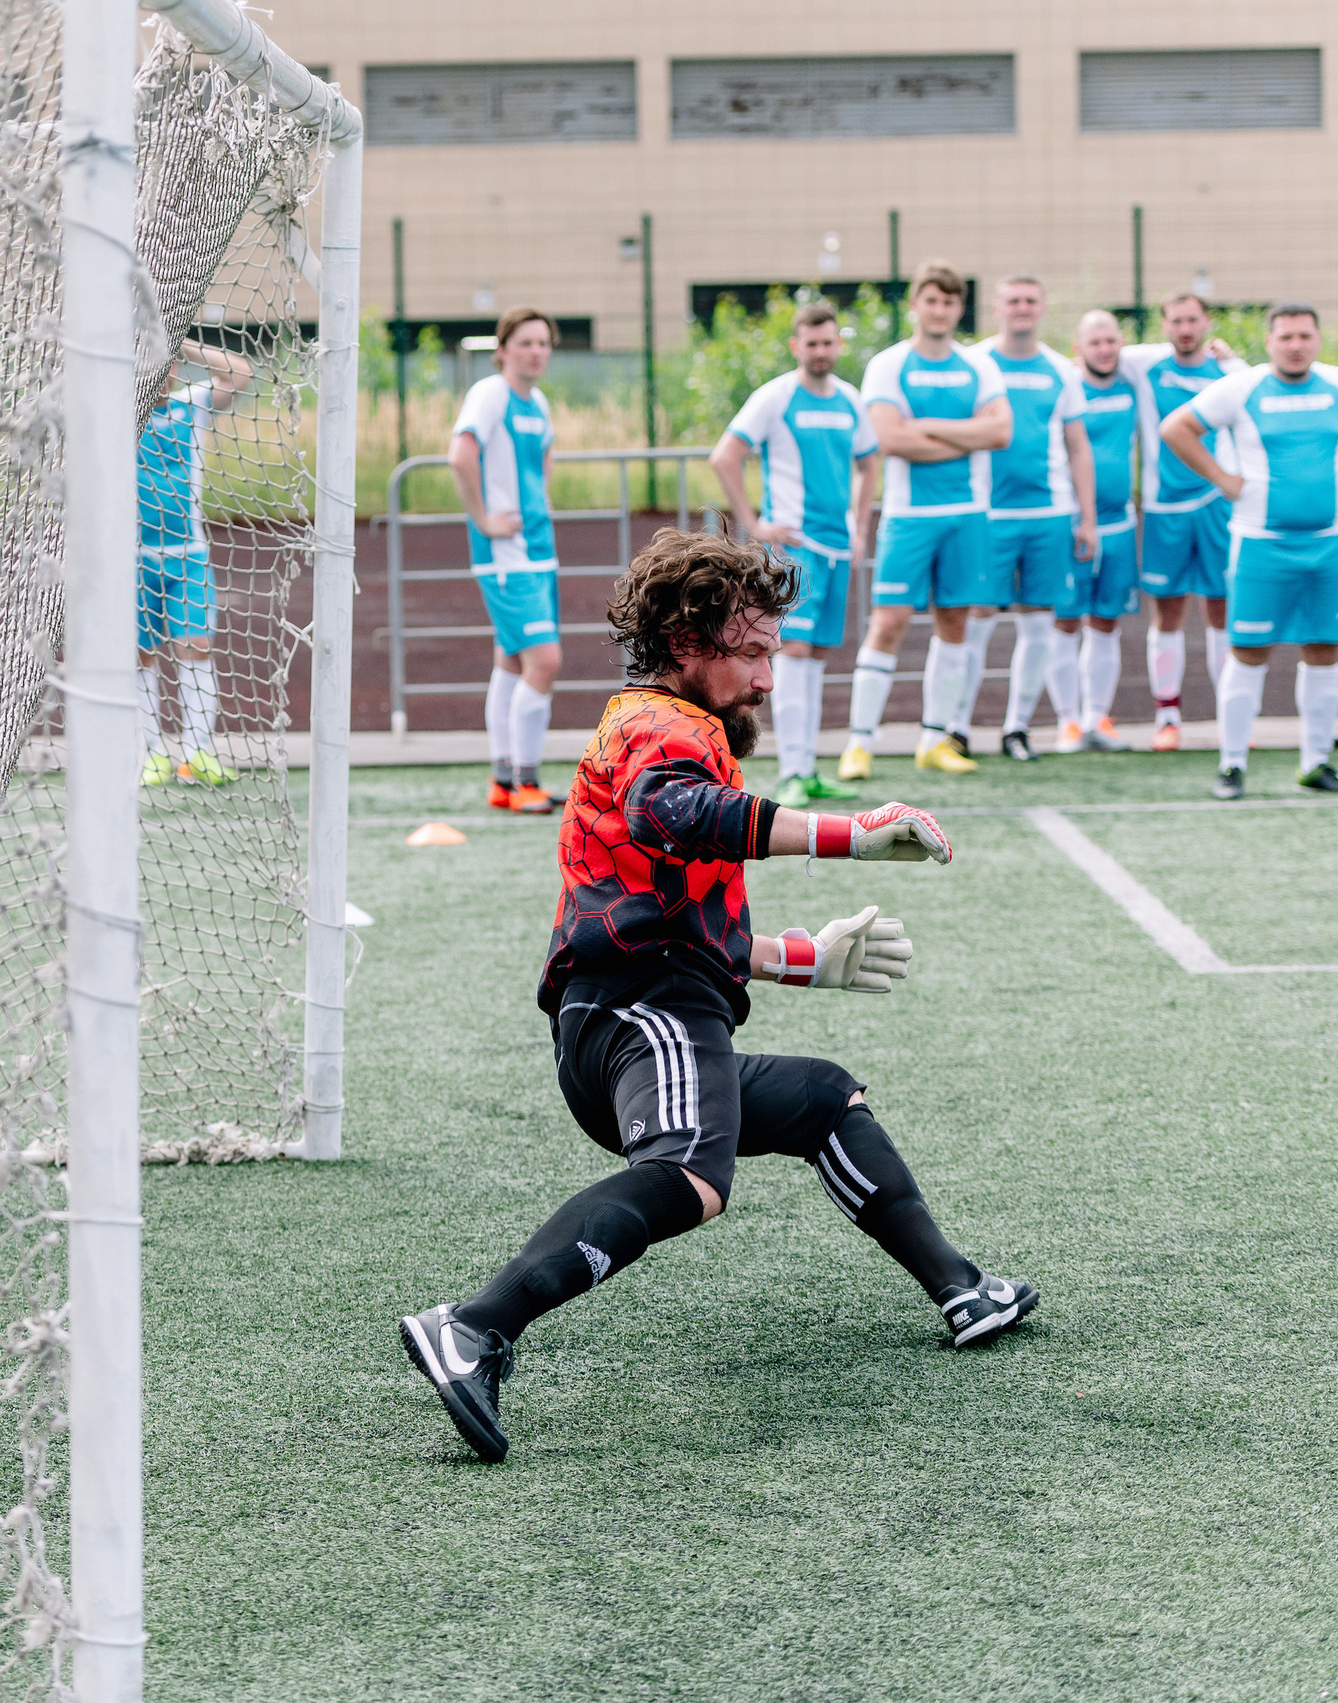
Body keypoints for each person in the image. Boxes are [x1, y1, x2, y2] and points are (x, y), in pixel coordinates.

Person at [397, 529, 1036, 1464]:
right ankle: (474, 1326)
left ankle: (961, 1289)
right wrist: (851, 834)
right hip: (645, 1010)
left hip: (631, 1009)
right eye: (753, 652)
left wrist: (799, 957)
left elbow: (673, 901)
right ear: (687, 642)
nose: (768, 678)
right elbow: (677, 817)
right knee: (693, 1176)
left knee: (823, 1097)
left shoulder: (659, 724)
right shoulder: (668, 727)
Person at [1159, 302, 1338, 799]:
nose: (1295, 345)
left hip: (1329, 543)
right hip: (1260, 544)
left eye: (1304, 336)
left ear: (1317, 340)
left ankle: (1315, 763)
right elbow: (1176, 429)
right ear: (1270, 341)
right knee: (1248, 652)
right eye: (1286, 337)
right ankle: (1232, 765)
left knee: (1323, 650)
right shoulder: (1243, 388)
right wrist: (1224, 480)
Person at [840, 262, 1011, 779]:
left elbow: (1001, 432)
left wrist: (929, 429)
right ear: (916, 304)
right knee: (887, 623)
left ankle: (935, 739)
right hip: (909, 518)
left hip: (968, 516)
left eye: (950, 302)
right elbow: (889, 438)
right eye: (931, 301)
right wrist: (965, 432)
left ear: (960, 309)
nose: (940, 311)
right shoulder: (889, 365)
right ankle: (859, 744)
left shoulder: (979, 365)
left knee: (955, 623)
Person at [709, 301, 880, 804]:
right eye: (811, 343)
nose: (821, 351)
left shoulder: (850, 399)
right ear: (795, 346)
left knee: (817, 656)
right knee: (794, 654)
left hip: (834, 547)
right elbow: (725, 456)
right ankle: (792, 771)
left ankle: (807, 768)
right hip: (793, 551)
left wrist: (860, 524)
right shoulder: (776, 396)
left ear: (838, 345)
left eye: (828, 342)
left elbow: (871, 462)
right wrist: (755, 522)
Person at [968, 274, 1097, 760]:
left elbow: (1078, 446)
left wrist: (1086, 518)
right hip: (989, 514)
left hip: (1049, 515)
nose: (1022, 308)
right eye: (1013, 300)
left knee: (1038, 624)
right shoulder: (976, 364)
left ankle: (1016, 727)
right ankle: (957, 728)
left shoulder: (1061, 370)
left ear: (1041, 308)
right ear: (997, 308)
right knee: (976, 618)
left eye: (1030, 300)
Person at [451, 307, 564, 814]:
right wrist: (483, 518)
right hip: (505, 555)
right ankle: (526, 781)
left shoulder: (536, 401)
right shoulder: (490, 393)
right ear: (502, 350)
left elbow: (543, 459)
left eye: (543, 343)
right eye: (526, 343)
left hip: (537, 551)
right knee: (546, 660)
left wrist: (540, 505)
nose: (536, 351)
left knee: (514, 662)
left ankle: (503, 780)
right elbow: (460, 453)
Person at [1123, 293, 1245, 750]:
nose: (1185, 328)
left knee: (1221, 609)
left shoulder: (1233, 371)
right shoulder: (1143, 365)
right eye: (1176, 320)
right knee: (1169, 611)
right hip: (1164, 507)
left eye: (1193, 319)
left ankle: (1227, 716)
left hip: (1218, 505)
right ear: (1164, 324)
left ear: (1207, 321)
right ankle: (1167, 716)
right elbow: (1093, 352)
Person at [136, 338, 252, 787]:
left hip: (188, 554)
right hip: (133, 556)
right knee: (139, 655)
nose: (163, 374)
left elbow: (240, 373)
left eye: (168, 366)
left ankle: (195, 752)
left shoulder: (194, 403)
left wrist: (179, 342)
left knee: (197, 646)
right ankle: (151, 753)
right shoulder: (120, 411)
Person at [1057, 309, 1144, 751]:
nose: (1105, 350)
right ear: (1079, 349)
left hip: (1121, 522)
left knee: (1106, 623)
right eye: (1095, 343)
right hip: (1073, 524)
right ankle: (1068, 722)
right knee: (1066, 622)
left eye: (1112, 341)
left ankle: (1098, 718)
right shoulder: (1066, 387)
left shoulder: (1134, 382)